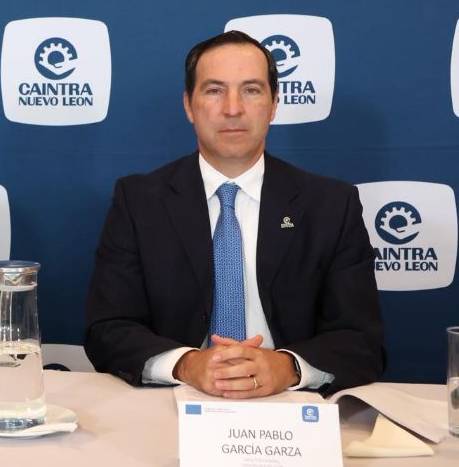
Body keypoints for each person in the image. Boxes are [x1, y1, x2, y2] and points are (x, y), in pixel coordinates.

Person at [85, 30, 384, 397]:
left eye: (251, 90)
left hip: (290, 404)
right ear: (189, 105)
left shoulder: (332, 204)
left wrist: (288, 367)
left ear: (274, 104)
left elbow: (361, 340)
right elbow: (108, 329)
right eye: (214, 90)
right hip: (174, 400)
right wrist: (187, 364)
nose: (232, 109)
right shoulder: (138, 201)